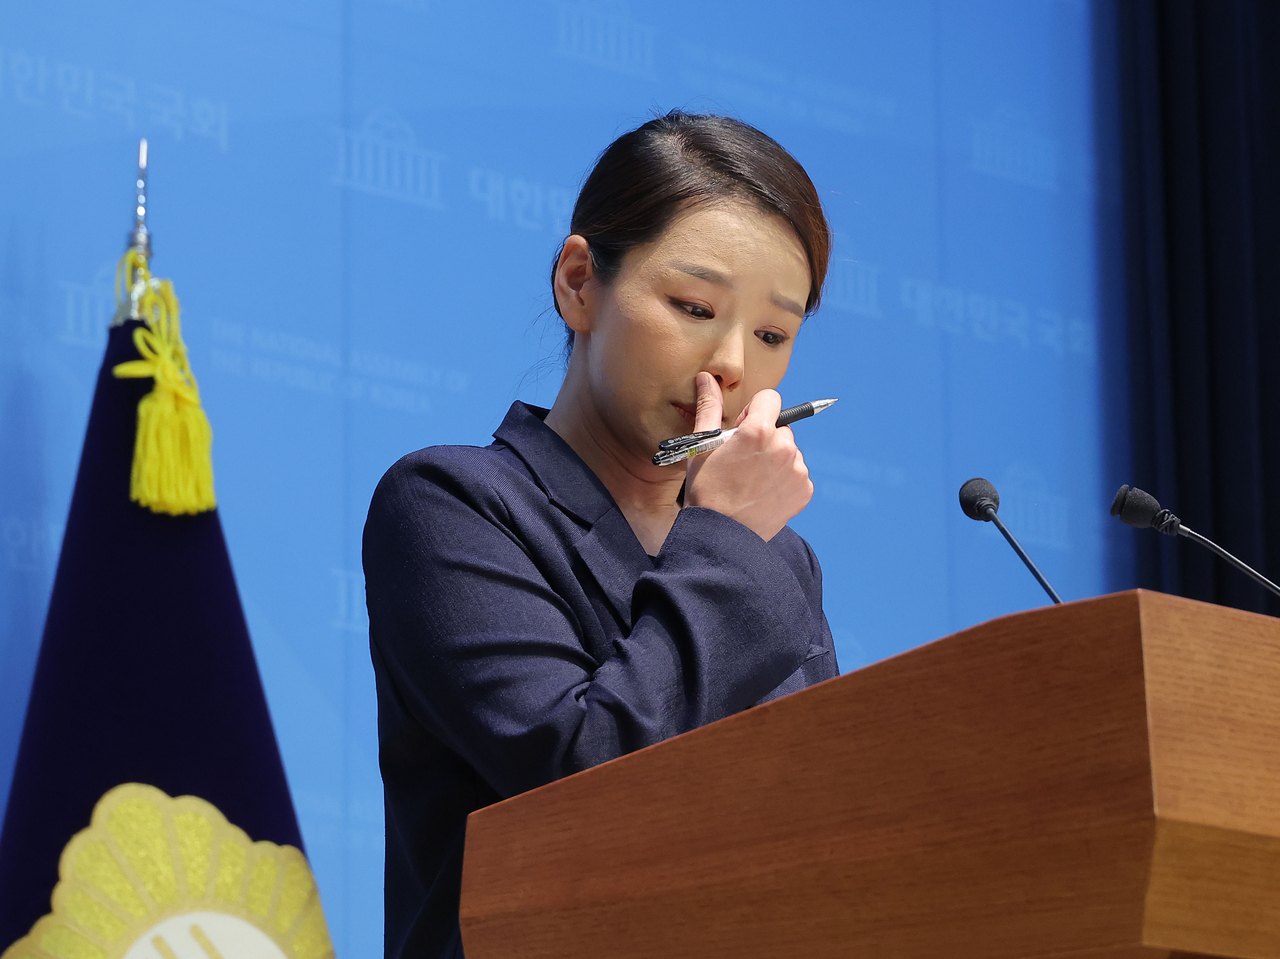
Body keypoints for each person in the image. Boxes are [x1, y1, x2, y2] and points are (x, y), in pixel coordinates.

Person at [363, 110, 839, 959]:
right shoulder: (452, 503)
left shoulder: (777, 558)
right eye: (695, 306)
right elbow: (586, 776)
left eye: (773, 334)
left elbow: (820, 825)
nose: (733, 365)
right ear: (579, 282)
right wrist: (728, 538)